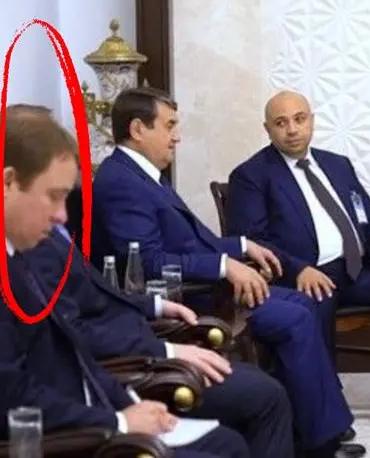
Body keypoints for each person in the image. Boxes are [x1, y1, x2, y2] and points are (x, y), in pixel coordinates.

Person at [91, 87, 365, 458]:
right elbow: (148, 262)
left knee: (304, 304)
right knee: (295, 316)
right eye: (169, 125)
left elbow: (191, 241)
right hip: (185, 298)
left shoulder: (144, 175)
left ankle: (312, 427)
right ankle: (320, 441)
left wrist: (241, 246)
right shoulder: (121, 182)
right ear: (138, 129)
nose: (177, 136)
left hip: (203, 286)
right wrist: (224, 266)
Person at [0, 108, 249, 457]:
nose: (62, 216)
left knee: (229, 444)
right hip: (65, 438)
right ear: (8, 183)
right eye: (53, 196)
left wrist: (129, 403)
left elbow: (74, 352)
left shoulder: (17, 255)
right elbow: (12, 398)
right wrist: (119, 422)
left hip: (93, 407)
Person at [226, 90, 370, 427]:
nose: (292, 129)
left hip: (356, 270)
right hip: (306, 275)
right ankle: (326, 415)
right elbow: (253, 240)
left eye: (299, 119)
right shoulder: (251, 175)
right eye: (281, 123)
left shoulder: (337, 165)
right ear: (267, 129)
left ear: (311, 121)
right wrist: (299, 269)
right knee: (315, 304)